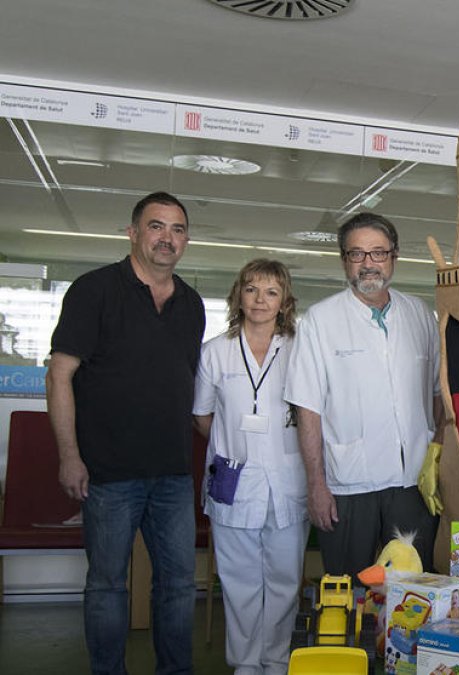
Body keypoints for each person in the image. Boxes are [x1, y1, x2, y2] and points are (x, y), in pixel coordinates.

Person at [47, 191, 205, 674]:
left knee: (178, 585)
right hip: (108, 474)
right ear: (133, 233)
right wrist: (69, 456)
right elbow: (59, 376)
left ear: (186, 240)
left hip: (173, 473)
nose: (167, 238)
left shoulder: (192, 303)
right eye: (156, 226)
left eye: (177, 229)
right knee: (107, 586)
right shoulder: (94, 290)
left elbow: (190, 387)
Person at [285, 212, 442, 574]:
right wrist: (316, 486)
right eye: (357, 254)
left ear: (394, 257)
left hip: (413, 484)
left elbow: (437, 395)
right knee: (347, 590)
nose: (368, 264)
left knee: (413, 590)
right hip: (348, 483)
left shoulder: (420, 314)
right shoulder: (320, 321)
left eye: (378, 253)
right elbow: (307, 409)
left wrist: (437, 457)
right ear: (344, 260)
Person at [193, 259, 306, 675]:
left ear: (285, 301)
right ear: (238, 294)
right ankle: (244, 662)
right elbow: (203, 416)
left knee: (284, 580)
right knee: (239, 582)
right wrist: (235, 446)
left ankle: (275, 660)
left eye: (271, 291)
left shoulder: (299, 349)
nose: (260, 299)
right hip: (233, 481)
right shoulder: (215, 351)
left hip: (287, 481)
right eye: (252, 289)